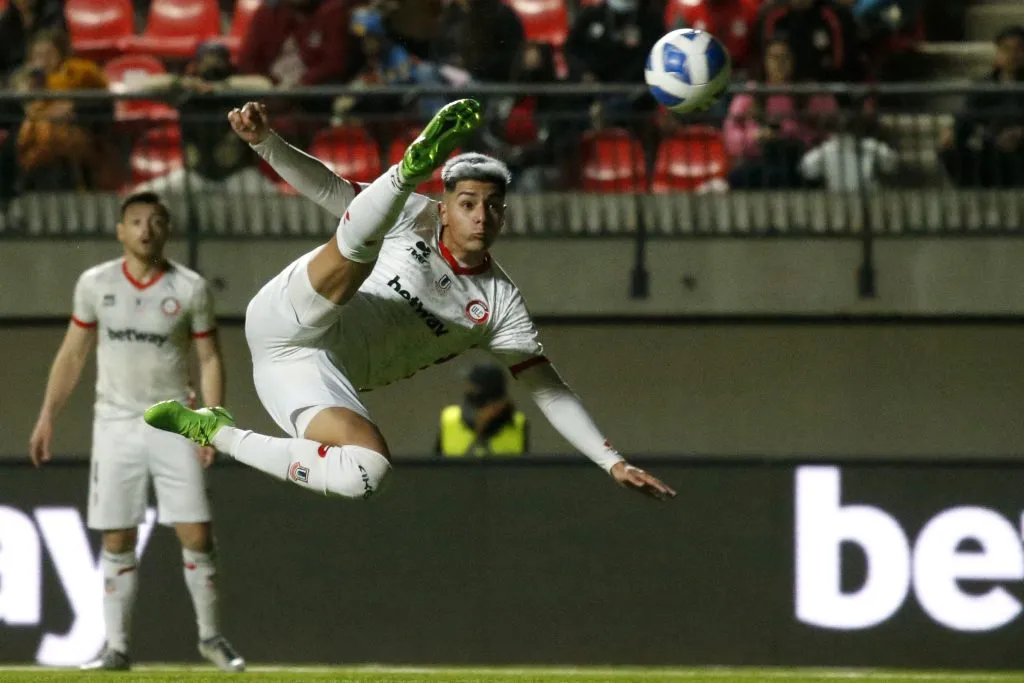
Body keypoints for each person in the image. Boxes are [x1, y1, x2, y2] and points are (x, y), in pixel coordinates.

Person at [143, 98, 675, 506]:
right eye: (467, 204)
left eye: (492, 207)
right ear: (444, 209)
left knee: (366, 473)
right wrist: (265, 143)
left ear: (504, 217)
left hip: (307, 371)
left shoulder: (498, 304)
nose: (480, 217)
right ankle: (407, 167)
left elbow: (550, 392)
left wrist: (611, 462)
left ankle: (214, 429)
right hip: (291, 312)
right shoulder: (413, 215)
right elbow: (327, 189)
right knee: (362, 248)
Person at [28, 192, 244, 673]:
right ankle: (117, 647)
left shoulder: (190, 288)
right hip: (115, 425)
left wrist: (210, 422)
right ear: (120, 231)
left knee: (196, 532)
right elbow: (72, 354)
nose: (146, 230)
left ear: (167, 230)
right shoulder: (95, 284)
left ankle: (210, 637)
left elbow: (209, 358)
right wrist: (47, 416)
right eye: (136, 222)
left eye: (155, 221)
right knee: (117, 537)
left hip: (173, 422)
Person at [939, 25, 1024, 188]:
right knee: (953, 151)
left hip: (1019, 151)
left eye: (1019, 50)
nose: (1013, 56)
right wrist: (952, 131)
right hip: (991, 147)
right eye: (1006, 50)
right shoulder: (985, 85)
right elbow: (967, 115)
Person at [436, 364, 528, 457]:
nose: (466, 388)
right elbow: (434, 466)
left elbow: (526, 467)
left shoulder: (518, 422)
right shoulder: (450, 418)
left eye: (471, 385)